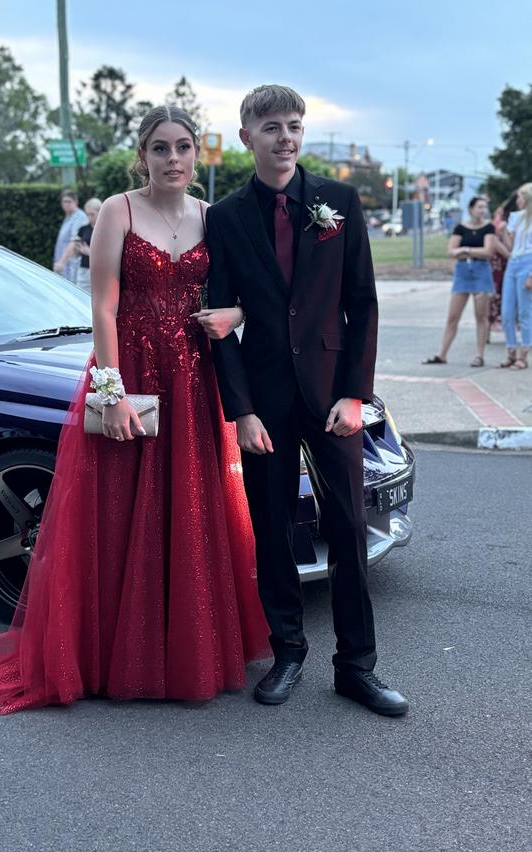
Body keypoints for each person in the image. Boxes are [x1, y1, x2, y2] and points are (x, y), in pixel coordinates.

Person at [0, 106, 269, 714]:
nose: (174, 159)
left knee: (187, 506)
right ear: (143, 155)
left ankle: (181, 645)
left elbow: (242, 297)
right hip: (127, 364)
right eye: (161, 148)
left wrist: (234, 316)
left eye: (183, 147)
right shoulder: (117, 210)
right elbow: (101, 306)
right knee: (118, 506)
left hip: (191, 374)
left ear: (196, 154)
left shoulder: (211, 216)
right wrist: (113, 390)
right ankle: (108, 654)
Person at [206, 84, 408, 716]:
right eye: (271, 127)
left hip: (332, 398)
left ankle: (356, 666)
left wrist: (356, 396)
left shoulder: (339, 203)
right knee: (272, 528)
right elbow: (219, 322)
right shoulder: (226, 217)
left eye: (294, 125)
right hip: (264, 401)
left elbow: (363, 306)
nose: (285, 136)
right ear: (247, 137)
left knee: (347, 526)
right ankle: (287, 651)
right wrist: (239, 409)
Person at [423, 196, 496, 367]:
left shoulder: (489, 227)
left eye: (484, 207)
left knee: (481, 316)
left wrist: (465, 249)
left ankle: (479, 355)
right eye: (479, 207)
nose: (482, 210)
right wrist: (465, 252)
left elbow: (488, 251)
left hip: (481, 271)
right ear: (471, 209)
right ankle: (442, 354)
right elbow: (451, 251)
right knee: (453, 316)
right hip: (463, 272)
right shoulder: (460, 228)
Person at [500, 182, 532, 370]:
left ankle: (523, 353)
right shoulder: (516, 218)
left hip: (528, 262)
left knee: (525, 311)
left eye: (520, 196)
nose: (518, 200)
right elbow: (511, 245)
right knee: (507, 312)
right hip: (514, 262)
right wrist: (505, 232)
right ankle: (510, 349)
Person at [54, 197, 102, 291]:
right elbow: (76, 253)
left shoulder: (106, 230)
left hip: (100, 271)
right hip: (84, 270)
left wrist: (90, 252)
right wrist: (77, 250)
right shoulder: (84, 228)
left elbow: (110, 254)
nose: (89, 218)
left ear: (100, 212)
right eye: (87, 214)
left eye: (92, 214)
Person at [488, 194, 517, 340]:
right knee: (496, 292)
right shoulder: (503, 217)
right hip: (501, 260)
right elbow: (495, 237)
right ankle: (488, 327)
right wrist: (510, 255)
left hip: (511, 258)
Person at [53, 190, 88, 283]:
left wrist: (61, 263)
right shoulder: (69, 216)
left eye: (69, 201)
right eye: (64, 201)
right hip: (64, 262)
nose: (66, 204)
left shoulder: (79, 216)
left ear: (76, 202)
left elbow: (74, 241)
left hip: (71, 263)